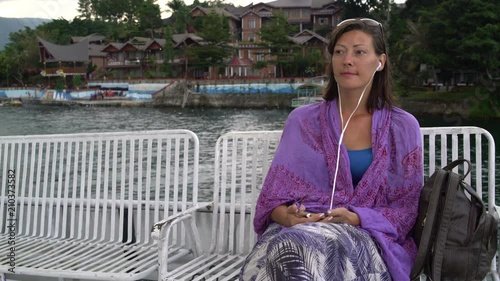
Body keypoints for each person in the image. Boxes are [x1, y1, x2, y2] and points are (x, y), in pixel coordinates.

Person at [239, 18, 423, 281]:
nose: (347, 60)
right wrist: (289, 217)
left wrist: (356, 217)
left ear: (380, 61)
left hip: (368, 237)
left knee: (302, 252)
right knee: (290, 248)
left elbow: (406, 210)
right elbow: (273, 199)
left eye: (359, 52)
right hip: (294, 233)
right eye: (340, 51)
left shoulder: (401, 127)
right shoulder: (303, 121)